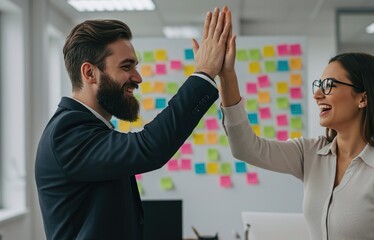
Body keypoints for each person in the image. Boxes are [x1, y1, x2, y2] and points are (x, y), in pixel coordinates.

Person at [35, 6, 232, 239]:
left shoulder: (88, 129)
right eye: (126, 67)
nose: (138, 77)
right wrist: (204, 73)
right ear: (89, 73)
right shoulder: (66, 133)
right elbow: (150, 147)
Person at [218, 25, 374, 239]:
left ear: (362, 98)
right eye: (318, 85)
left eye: (329, 85)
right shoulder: (311, 153)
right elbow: (246, 149)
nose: (318, 95)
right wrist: (227, 77)